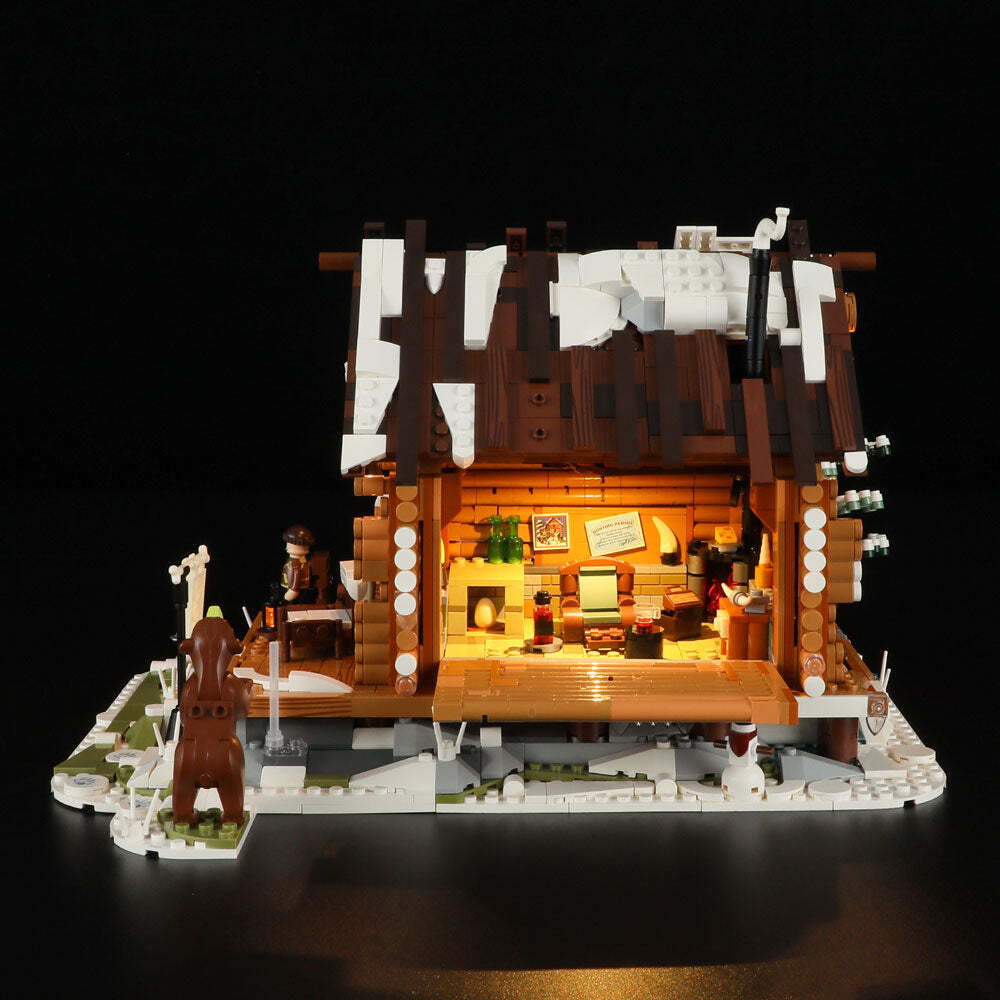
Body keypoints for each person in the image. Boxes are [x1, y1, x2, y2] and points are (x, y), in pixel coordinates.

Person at [281, 525, 316, 603]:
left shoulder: (295, 564)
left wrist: (287, 598)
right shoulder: (302, 561)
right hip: (301, 591)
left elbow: (295, 584)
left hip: (293, 593)